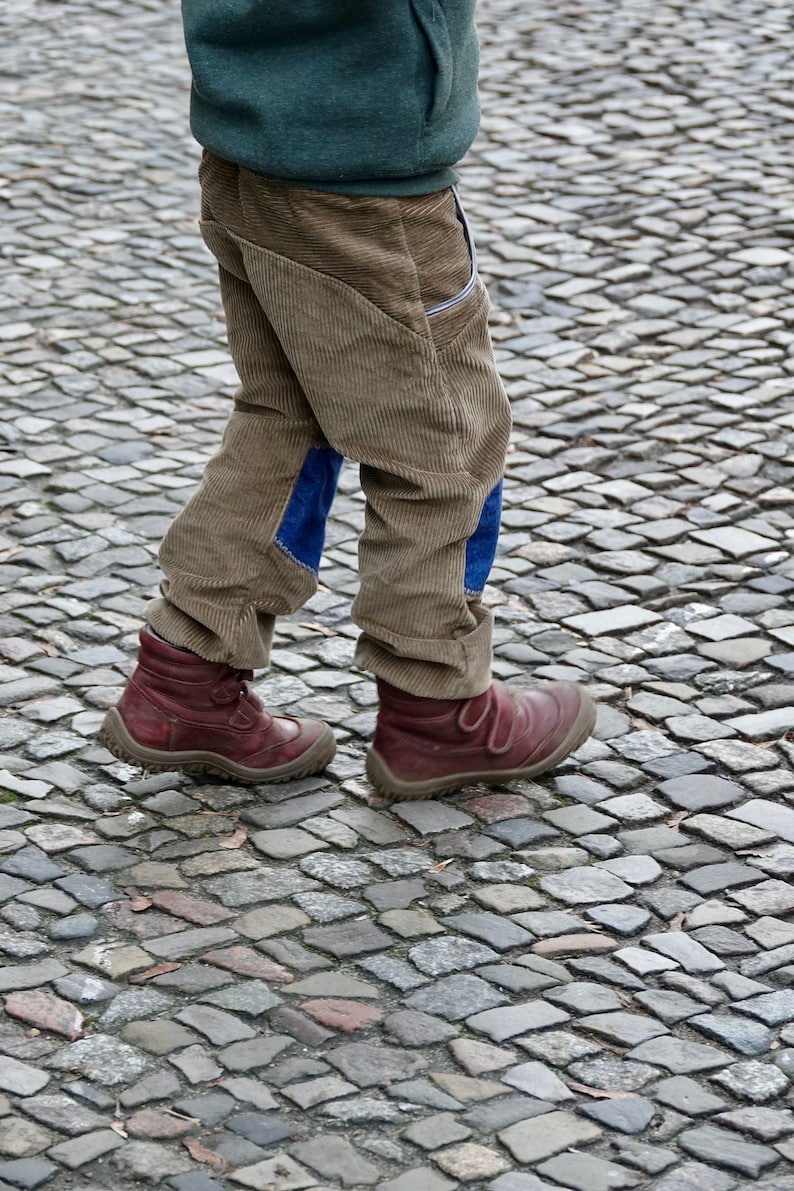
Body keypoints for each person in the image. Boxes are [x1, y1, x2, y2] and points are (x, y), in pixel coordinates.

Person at [100, 0, 596, 801]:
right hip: (360, 156)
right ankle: (439, 708)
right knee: (446, 438)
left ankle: (186, 674)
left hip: (254, 124)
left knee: (290, 413)